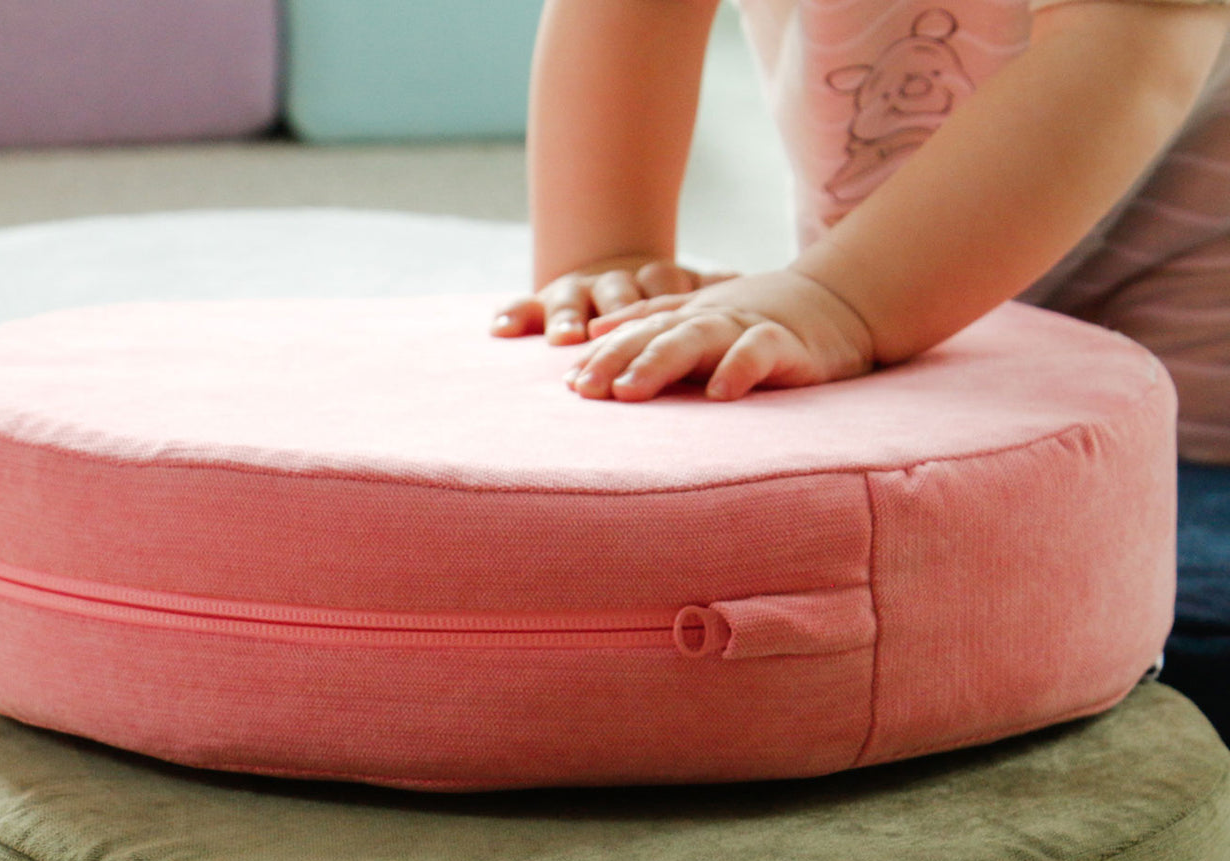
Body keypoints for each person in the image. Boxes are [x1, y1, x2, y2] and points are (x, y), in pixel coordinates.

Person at [493, 0, 1230, 729]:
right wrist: (609, 254)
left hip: (1186, 330)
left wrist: (840, 300)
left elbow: (1146, 26)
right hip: (890, 277)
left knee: (1174, 631)